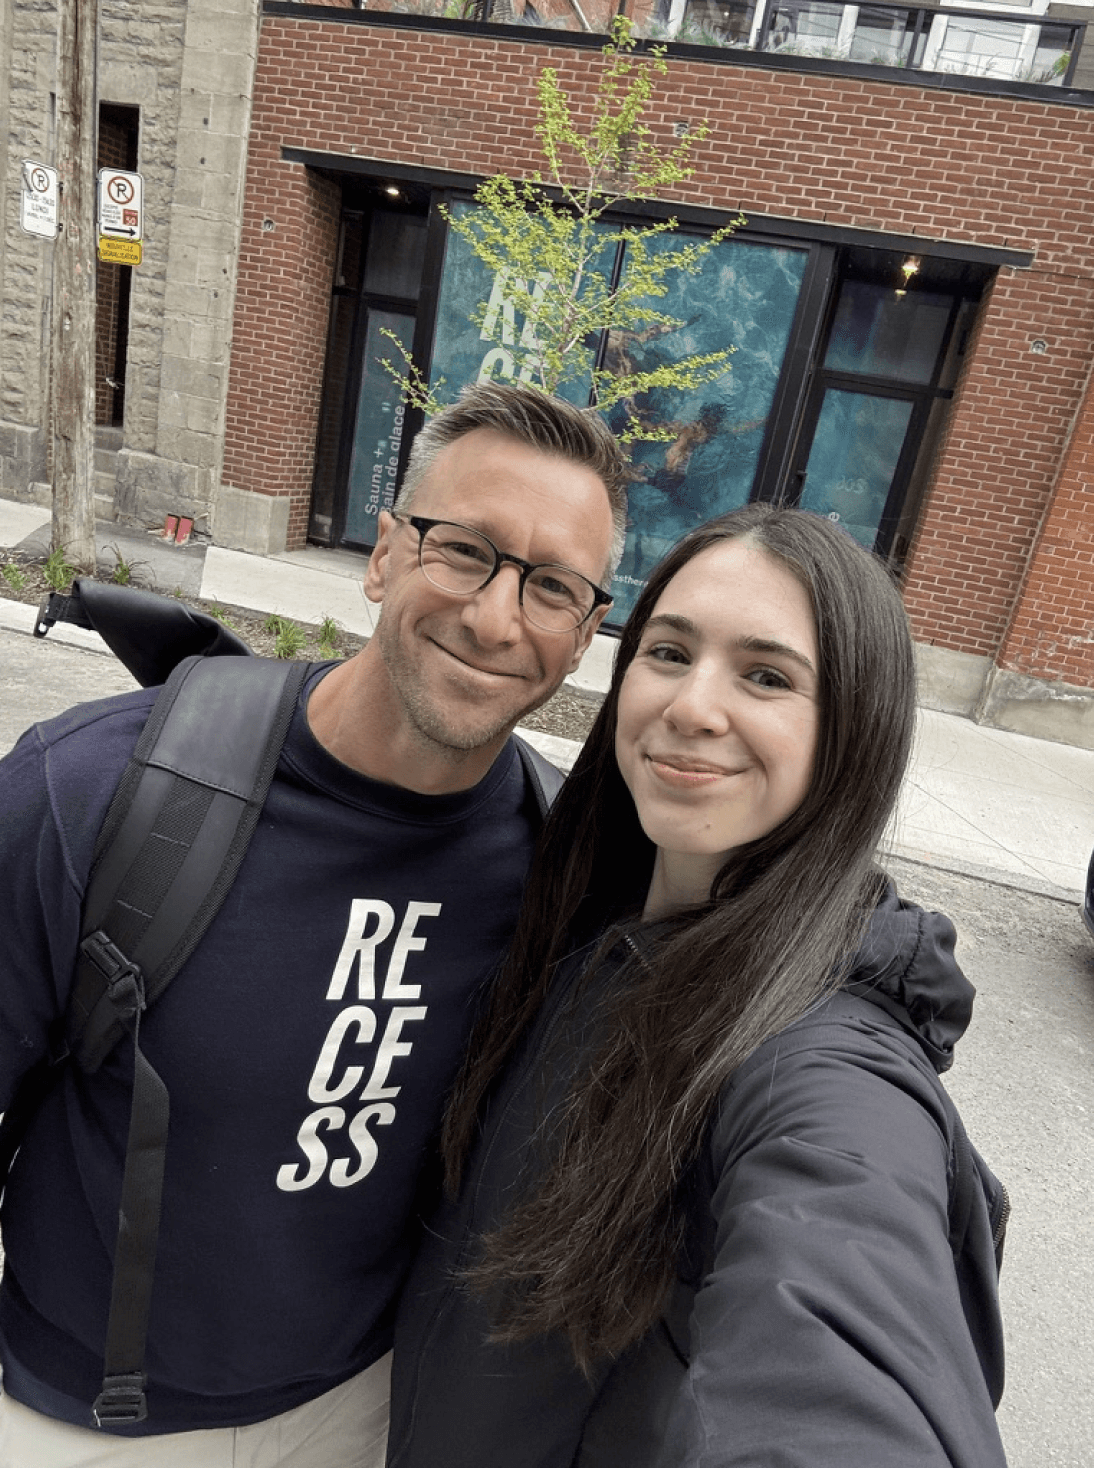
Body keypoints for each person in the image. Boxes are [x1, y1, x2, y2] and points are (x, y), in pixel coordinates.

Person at [0, 382, 627, 1464]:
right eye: (463, 549)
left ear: (581, 636)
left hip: (370, 1410)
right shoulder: (90, 791)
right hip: (77, 1422)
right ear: (384, 555)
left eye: (550, 585)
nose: (493, 615)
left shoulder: (562, 863)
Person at [387, 504, 1008, 1468]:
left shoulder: (826, 1066)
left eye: (766, 676)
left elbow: (842, 1348)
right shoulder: (583, 922)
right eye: (669, 652)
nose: (691, 706)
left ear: (854, 730)